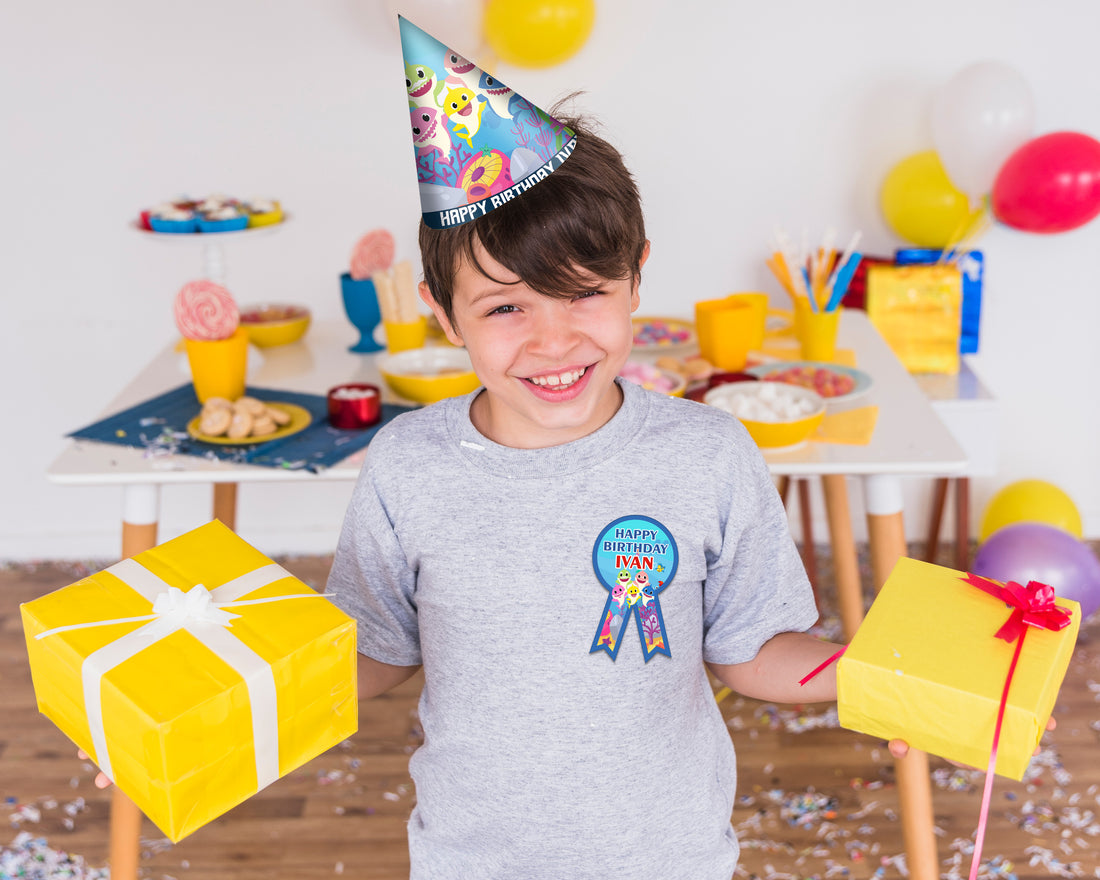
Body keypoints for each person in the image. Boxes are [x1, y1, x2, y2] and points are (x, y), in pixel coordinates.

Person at [325, 106, 843, 879]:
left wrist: (876, 677)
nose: (554, 341)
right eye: (506, 307)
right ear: (443, 314)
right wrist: (230, 693)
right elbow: (373, 651)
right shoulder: (407, 465)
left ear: (636, 277)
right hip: (471, 864)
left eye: (584, 292)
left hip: (670, 861)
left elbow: (753, 649)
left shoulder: (707, 455)